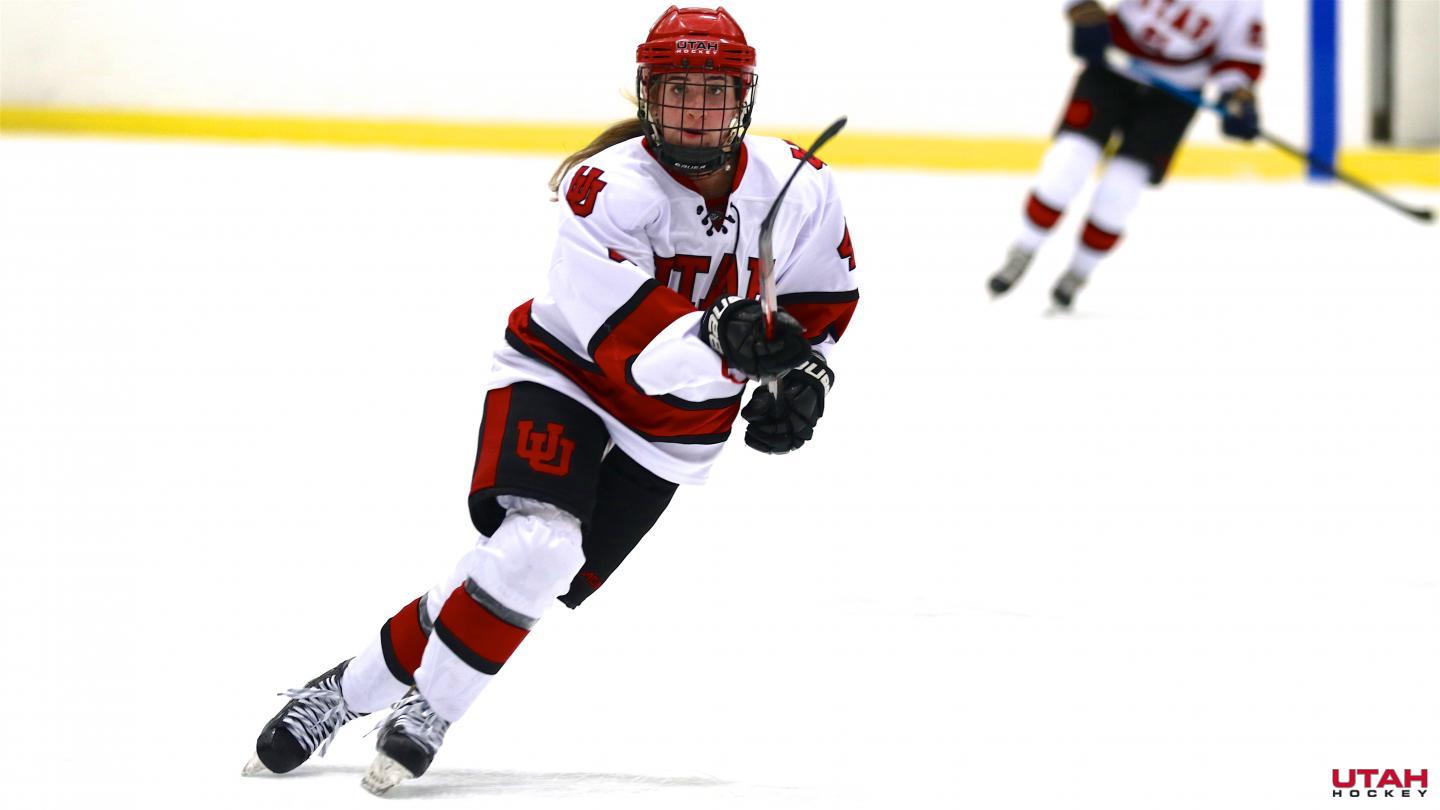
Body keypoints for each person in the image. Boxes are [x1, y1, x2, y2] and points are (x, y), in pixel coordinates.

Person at [241, 5, 859, 796]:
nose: (695, 111)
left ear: (745, 97)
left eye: (714, 92)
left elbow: (819, 301)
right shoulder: (608, 186)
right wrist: (720, 337)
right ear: (647, 94)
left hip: (674, 432)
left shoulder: (799, 183)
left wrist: (803, 379)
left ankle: (343, 690)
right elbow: (626, 342)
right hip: (566, 375)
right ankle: (432, 707)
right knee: (539, 546)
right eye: (677, 91)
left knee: (525, 569)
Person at [988, 0, 1264, 309]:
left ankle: (1079, 271)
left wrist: (1238, 96)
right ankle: (1024, 248)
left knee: (1122, 187)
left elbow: (1239, 52)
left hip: (1174, 96)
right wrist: (1083, 10)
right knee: (1069, 161)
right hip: (1112, 67)